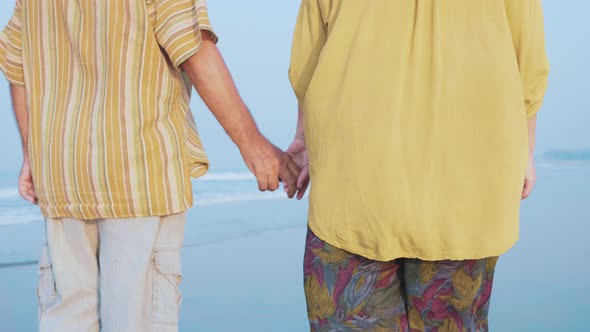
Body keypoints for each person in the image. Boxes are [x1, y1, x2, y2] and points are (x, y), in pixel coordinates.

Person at [0, 0, 301, 331]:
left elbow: (18, 64)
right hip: (138, 173)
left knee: (69, 318)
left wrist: (32, 153)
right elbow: (193, 50)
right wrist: (254, 146)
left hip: (63, 177)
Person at [286, 0, 549, 331]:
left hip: (356, 174)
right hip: (467, 177)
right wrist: (526, 147)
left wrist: (305, 136)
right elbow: (528, 56)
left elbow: (309, 57)